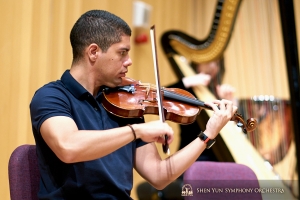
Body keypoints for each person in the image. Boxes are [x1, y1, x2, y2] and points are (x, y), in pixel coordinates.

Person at [30, 10, 237, 199]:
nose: (129, 61)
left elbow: (159, 175)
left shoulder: (125, 104)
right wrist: (136, 130)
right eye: (122, 52)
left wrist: (207, 135)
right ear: (93, 52)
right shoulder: (51, 96)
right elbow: (69, 146)